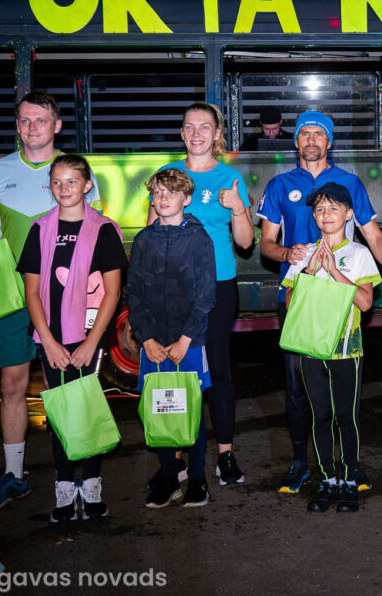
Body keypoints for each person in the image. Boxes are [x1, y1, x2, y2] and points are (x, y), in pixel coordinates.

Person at [0, 92, 101, 510]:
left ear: (57, 125)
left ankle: (77, 477)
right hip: (10, 292)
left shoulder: (73, 171)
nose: (32, 127)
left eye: (40, 120)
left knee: (69, 386)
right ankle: (14, 474)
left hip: (61, 294)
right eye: (24, 120)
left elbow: (93, 233)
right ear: (17, 125)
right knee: (11, 384)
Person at [257, 110, 382, 494]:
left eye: (318, 134)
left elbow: (373, 236)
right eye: (304, 133)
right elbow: (266, 244)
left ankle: (349, 466)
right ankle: (300, 462)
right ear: (296, 141)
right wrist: (287, 253)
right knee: (297, 388)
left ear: (329, 141)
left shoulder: (349, 182)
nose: (311, 140)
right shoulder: (280, 185)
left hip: (341, 301)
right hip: (300, 296)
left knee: (342, 395)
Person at [15, 154, 125, 522]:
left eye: (72, 181)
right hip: (52, 340)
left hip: (88, 337)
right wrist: (48, 342)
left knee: (87, 409)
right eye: (57, 182)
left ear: (87, 185)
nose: (64, 189)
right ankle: (64, 488)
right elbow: (32, 293)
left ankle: (91, 486)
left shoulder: (104, 229)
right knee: (60, 412)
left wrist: (93, 342)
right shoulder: (39, 229)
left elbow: (112, 292)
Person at [149, 102, 252, 485]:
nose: (196, 133)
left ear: (217, 134)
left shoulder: (230, 177)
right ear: (182, 133)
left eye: (204, 126)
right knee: (177, 368)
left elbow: (246, 242)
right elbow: (152, 235)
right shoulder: (167, 175)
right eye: (189, 126)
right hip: (174, 288)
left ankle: (225, 455)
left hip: (219, 284)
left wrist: (238, 208)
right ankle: (176, 458)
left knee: (218, 369)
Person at [280, 183, 381, 513]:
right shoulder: (303, 254)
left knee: (346, 417)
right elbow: (290, 303)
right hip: (311, 348)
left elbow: (365, 303)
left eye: (334, 208)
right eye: (320, 209)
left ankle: (350, 478)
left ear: (349, 214)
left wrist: (335, 271)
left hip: (346, 349)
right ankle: (328, 479)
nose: (326, 214)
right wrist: (310, 270)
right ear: (313, 216)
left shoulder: (360, 254)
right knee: (320, 416)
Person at [131, 168, 218, 508]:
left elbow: (206, 295)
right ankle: (169, 476)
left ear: (187, 199)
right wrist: (146, 339)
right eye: (158, 193)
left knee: (190, 410)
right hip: (153, 343)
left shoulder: (198, 239)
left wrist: (186, 339)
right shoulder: (143, 240)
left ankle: (197, 479)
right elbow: (134, 294)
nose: (163, 198)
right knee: (160, 409)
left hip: (189, 343)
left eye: (171, 192)